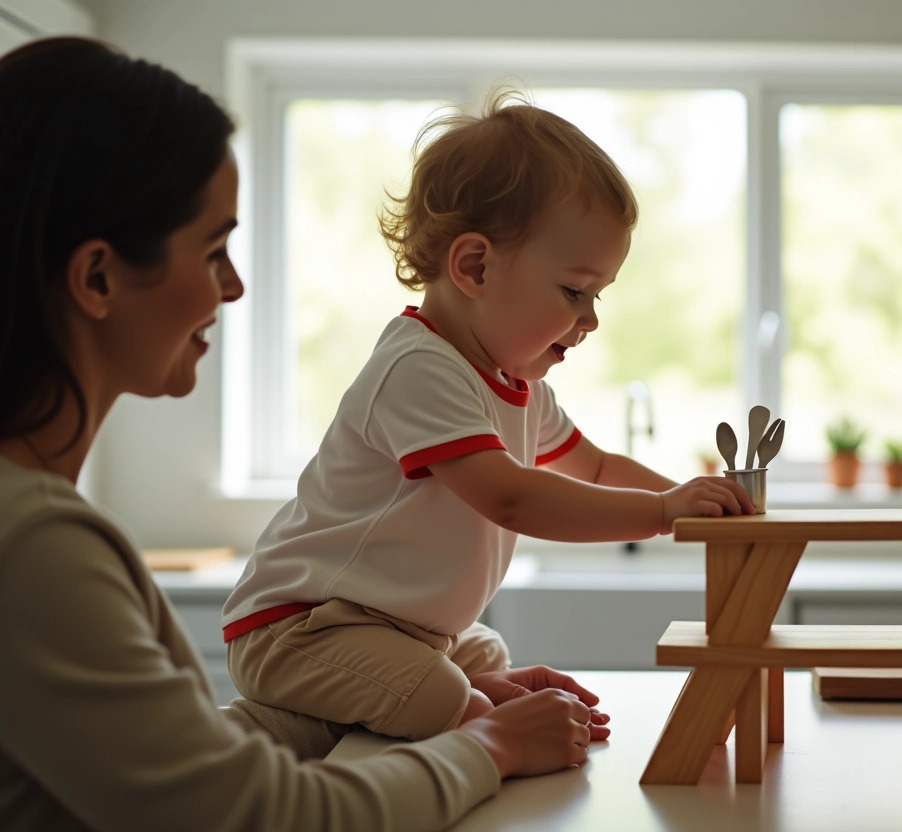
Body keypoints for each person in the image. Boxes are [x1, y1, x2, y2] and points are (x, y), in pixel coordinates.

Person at [0, 36, 599, 832]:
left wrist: (451, 697)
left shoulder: (37, 531)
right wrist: (488, 746)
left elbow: (161, 775)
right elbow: (256, 815)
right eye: (214, 249)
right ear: (99, 277)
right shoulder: (33, 547)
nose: (236, 285)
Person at [221, 92, 754, 741]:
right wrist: (666, 511)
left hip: (399, 627)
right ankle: (481, 733)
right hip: (299, 627)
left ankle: (473, 701)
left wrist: (696, 506)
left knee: (488, 657)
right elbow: (512, 499)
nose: (590, 320)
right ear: (474, 266)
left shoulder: (514, 384)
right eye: (574, 291)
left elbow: (596, 467)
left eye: (598, 296)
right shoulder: (419, 368)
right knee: (454, 701)